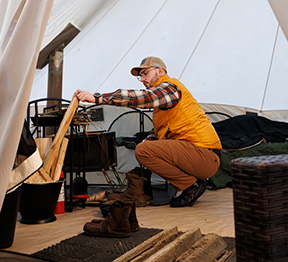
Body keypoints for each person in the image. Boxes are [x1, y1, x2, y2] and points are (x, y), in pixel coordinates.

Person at [75, 56, 222, 207]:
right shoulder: (163, 105)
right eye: (140, 76)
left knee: (143, 151)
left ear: (159, 71)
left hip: (204, 155)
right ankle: (189, 184)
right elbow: (159, 133)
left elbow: (146, 97)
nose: (143, 79)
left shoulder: (170, 88)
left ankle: (190, 185)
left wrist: (98, 98)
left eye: (145, 73)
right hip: (198, 155)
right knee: (144, 150)